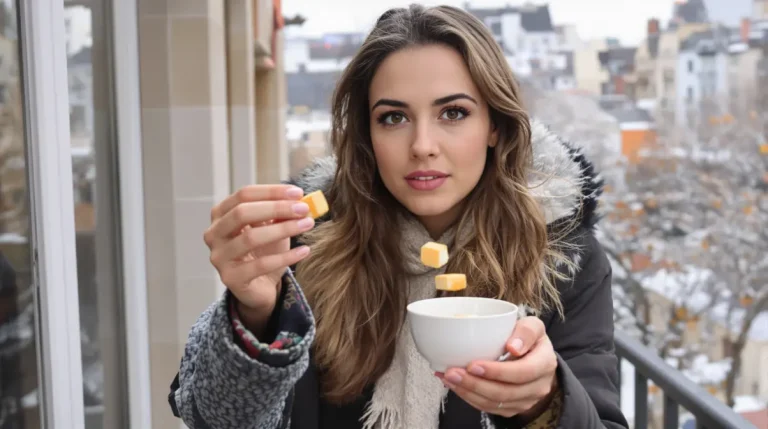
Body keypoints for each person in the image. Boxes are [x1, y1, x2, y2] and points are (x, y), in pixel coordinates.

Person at [169, 4, 628, 429]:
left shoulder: (561, 257)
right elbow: (208, 416)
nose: (422, 145)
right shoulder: (307, 247)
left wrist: (545, 402)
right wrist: (254, 316)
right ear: (367, 134)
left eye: (453, 112)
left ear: (494, 125)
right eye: (393, 118)